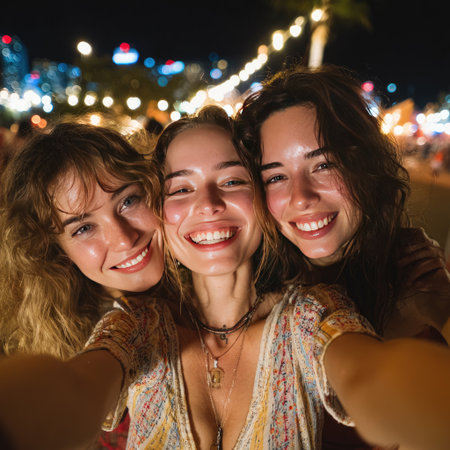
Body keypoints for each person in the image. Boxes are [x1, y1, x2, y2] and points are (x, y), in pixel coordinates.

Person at [1, 106, 450, 450]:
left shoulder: (311, 317)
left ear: (262, 198)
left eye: (233, 181)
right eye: (181, 188)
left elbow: (372, 377)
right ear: (166, 206)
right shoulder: (136, 328)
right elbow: (74, 388)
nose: (209, 204)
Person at [237, 64, 450, 448]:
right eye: (276, 177)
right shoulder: (252, 301)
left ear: (364, 167)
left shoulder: (426, 285)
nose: (301, 196)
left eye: (324, 164)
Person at [0, 121, 166, 449]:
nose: (124, 238)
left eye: (128, 201)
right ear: (55, 251)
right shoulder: (71, 338)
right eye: (83, 228)